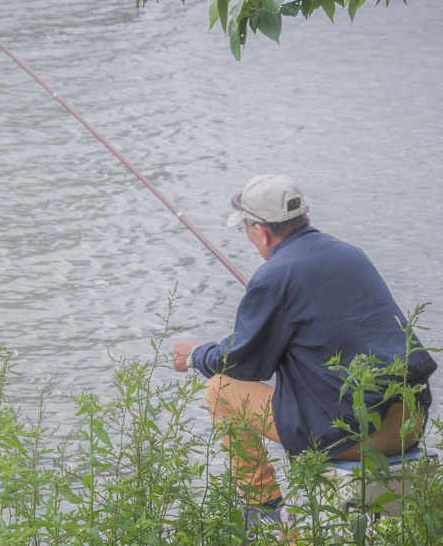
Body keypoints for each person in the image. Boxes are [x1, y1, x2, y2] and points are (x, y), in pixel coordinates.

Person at [172, 174, 437, 516]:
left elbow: (243, 362)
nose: (250, 237)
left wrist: (195, 354)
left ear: (261, 231)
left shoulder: (273, 277)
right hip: (408, 422)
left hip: (354, 439)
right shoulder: (350, 255)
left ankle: (265, 513)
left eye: (246, 229)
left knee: (221, 390)